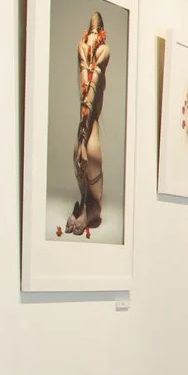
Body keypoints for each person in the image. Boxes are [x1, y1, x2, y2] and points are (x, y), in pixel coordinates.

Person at [63, 12, 110, 237]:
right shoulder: (87, 50)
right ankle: (86, 206)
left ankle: (88, 209)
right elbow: (88, 91)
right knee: (82, 159)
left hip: (86, 127)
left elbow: (90, 89)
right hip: (87, 128)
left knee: (85, 155)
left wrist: (82, 140)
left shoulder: (99, 52)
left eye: (95, 31)